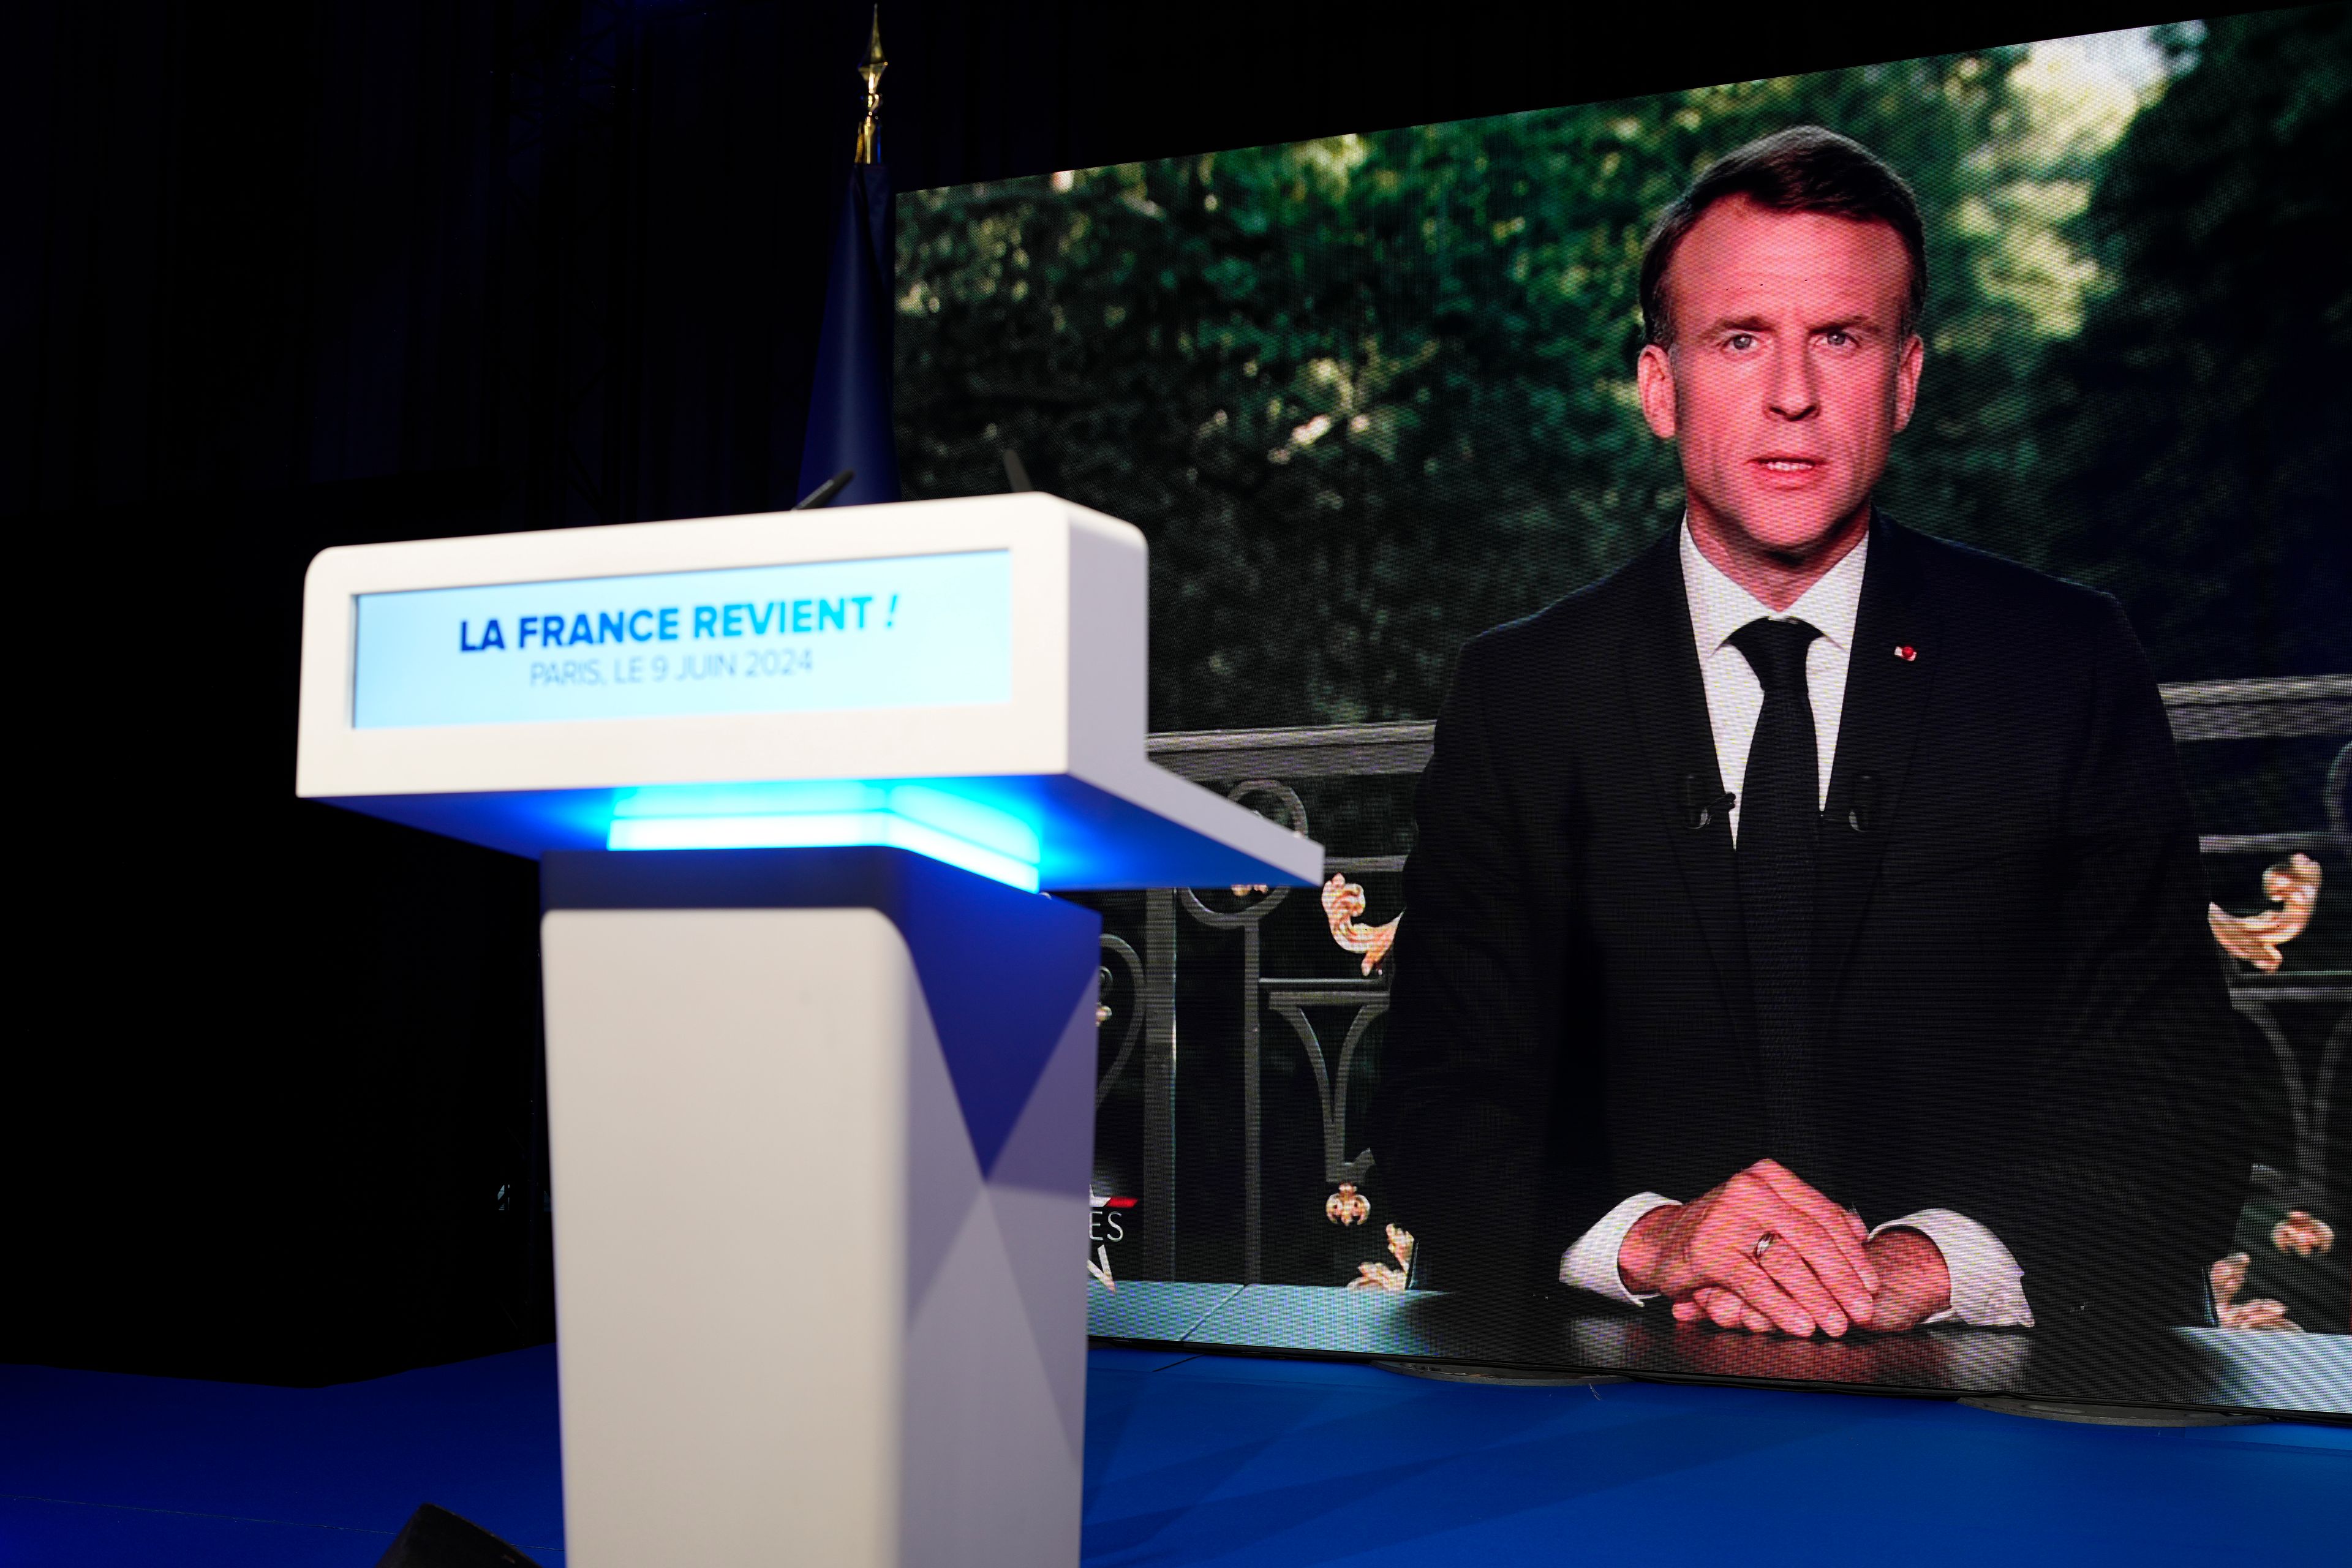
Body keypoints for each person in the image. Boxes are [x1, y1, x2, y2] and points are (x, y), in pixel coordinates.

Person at [1367, 127, 2245, 1337]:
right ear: (1660, 385)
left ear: (1905, 379)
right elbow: (1432, 1111)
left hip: (1992, 1427)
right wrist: (1657, 1238)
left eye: (1841, 337)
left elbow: (2179, 1110)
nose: (1792, 393)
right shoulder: (1522, 693)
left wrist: (1920, 1264)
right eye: (1741, 340)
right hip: (1614, 1422)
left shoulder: (2066, 664)